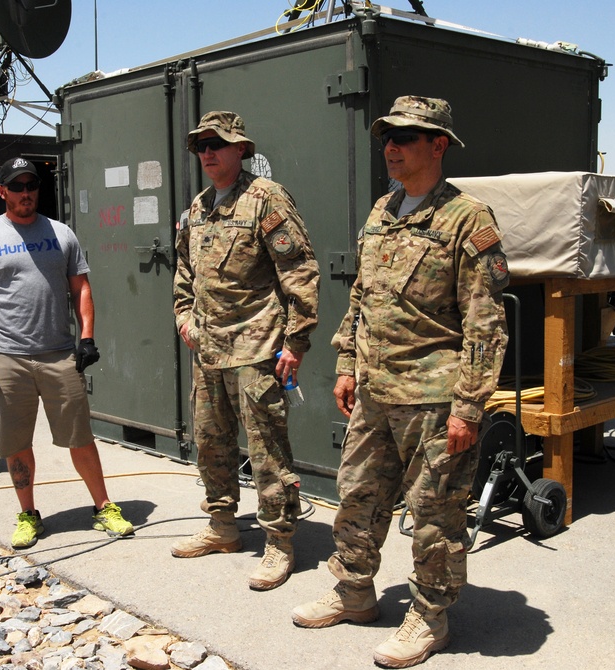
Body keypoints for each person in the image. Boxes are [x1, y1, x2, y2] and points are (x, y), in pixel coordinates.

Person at [291, 96, 509, 668]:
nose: (391, 146)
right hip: (376, 390)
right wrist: (345, 365)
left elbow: (486, 322)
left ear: (438, 145)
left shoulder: (468, 219)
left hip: (436, 399)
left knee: (435, 512)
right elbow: (362, 297)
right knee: (358, 496)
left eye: (406, 137)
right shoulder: (382, 211)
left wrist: (469, 405)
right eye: (387, 136)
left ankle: (429, 616)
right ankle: (353, 590)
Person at [172, 111, 320, 591]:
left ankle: (279, 541)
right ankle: (222, 527)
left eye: (217, 144)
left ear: (241, 149)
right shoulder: (197, 208)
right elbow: (183, 273)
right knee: (211, 442)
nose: (208, 152)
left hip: (258, 347)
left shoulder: (265, 200)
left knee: (266, 449)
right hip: (208, 349)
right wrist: (183, 316)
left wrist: (295, 342)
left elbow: (299, 272)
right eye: (201, 146)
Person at [0, 157, 133, 549]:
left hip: (58, 354)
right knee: (16, 442)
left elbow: (81, 289)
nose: (25, 193)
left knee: (79, 436)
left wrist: (86, 337)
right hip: (8, 357)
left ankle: (104, 507)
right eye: (16, 186)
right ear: (2, 191)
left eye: (31, 185)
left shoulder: (61, 234)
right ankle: (28, 515)